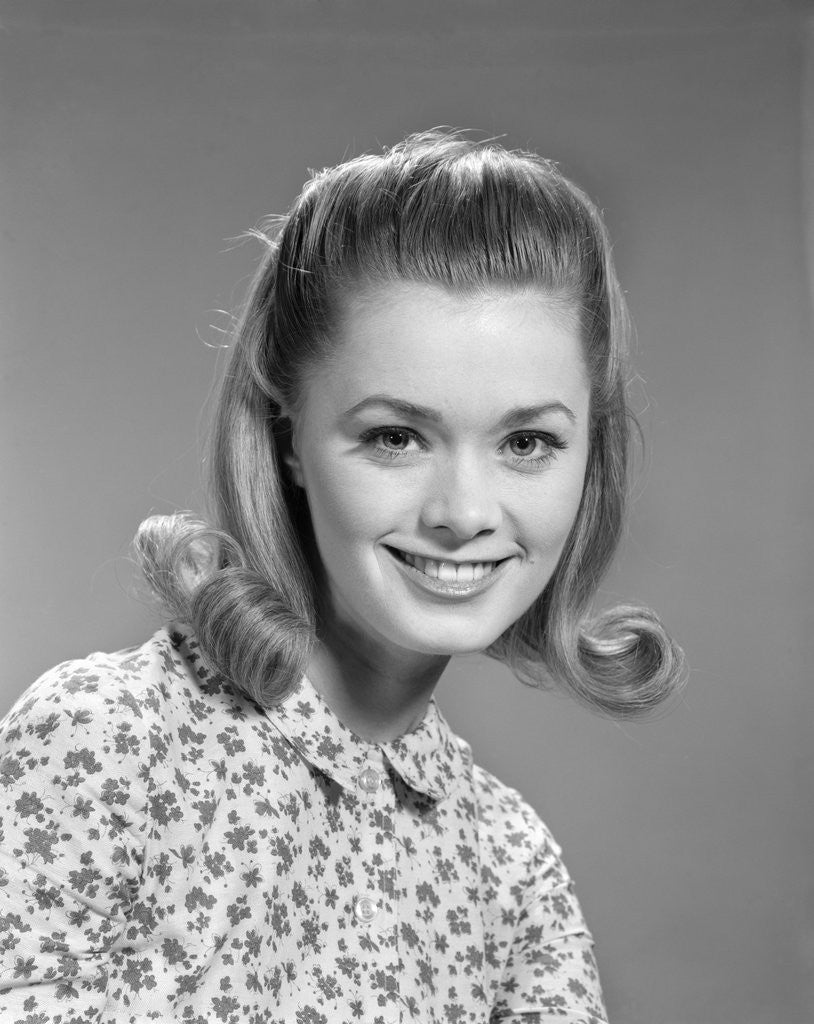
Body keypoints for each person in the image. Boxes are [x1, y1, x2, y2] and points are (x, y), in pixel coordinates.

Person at [0, 131, 684, 1023]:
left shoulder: (514, 873)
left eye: (527, 442)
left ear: (590, 457)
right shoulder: (109, 747)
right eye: (396, 437)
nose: (464, 512)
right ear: (286, 437)